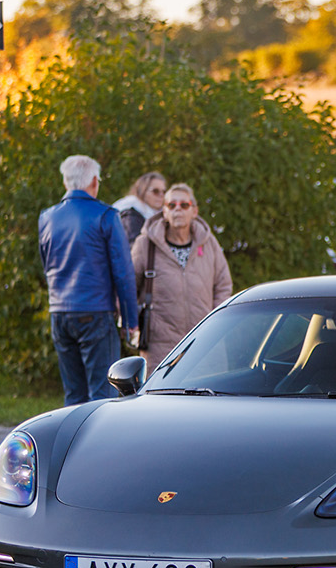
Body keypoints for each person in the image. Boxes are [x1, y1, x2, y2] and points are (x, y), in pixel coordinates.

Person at [38, 155, 139, 405]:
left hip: (60, 311)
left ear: (66, 181)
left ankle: (73, 433)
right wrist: (130, 320)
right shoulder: (106, 215)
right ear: (94, 181)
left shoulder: (47, 217)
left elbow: (46, 262)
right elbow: (123, 273)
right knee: (103, 394)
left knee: (73, 394)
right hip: (95, 310)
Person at [131, 183, 233, 375]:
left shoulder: (209, 242)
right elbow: (129, 286)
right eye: (172, 205)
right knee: (162, 394)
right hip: (160, 347)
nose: (178, 209)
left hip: (206, 341)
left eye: (184, 205)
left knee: (209, 391)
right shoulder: (146, 244)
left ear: (194, 211)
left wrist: (216, 322)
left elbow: (223, 285)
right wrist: (131, 323)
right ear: (164, 212)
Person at [113, 171, 167, 247]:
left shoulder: (160, 215)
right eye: (155, 191)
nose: (161, 195)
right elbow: (135, 248)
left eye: (164, 192)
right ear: (143, 191)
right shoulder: (130, 216)